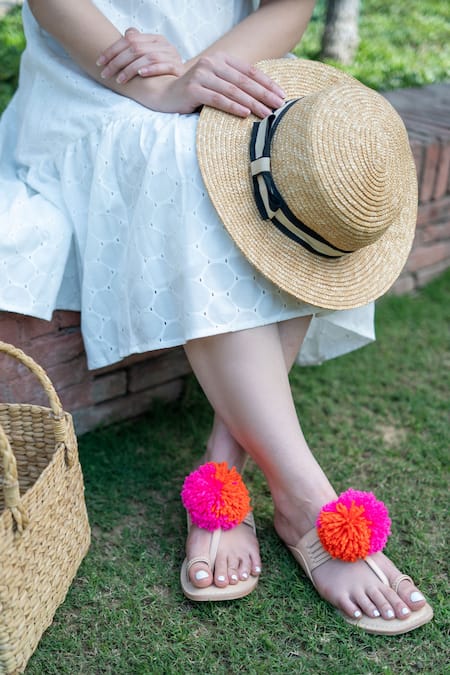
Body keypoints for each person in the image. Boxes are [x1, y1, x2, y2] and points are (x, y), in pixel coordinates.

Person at [0, 1, 432, 635]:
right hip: (98, 81)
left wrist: (208, 73)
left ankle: (224, 469)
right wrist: (159, 86)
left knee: (301, 154)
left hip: (232, 59)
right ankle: (307, 502)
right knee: (183, 154)